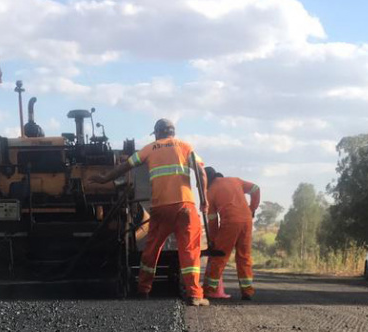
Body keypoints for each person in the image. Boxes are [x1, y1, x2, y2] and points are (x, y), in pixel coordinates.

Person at [89, 118, 209, 306]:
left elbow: (125, 166)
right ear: (172, 132)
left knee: (151, 250)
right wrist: (204, 200)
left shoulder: (149, 149)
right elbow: (201, 173)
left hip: (160, 208)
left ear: (158, 133)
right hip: (185, 207)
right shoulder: (186, 147)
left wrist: (104, 179)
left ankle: (143, 290)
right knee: (189, 252)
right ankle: (194, 295)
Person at [203, 168, 260, 300]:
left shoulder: (210, 193)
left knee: (219, 256)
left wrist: (213, 240)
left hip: (230, 223)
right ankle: (247, 292)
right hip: (247, 222)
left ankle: (209, 290)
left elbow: (212, 221)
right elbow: (256, 188)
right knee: (244, 256)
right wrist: (252, 209)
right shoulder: (236, 180)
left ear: (207, 180)